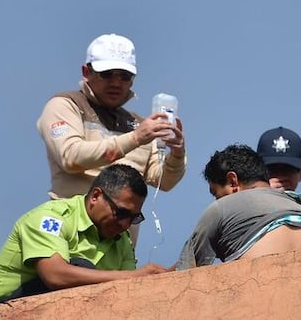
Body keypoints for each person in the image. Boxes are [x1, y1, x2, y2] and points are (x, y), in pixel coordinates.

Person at [0, 165, 171, 305]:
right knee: (81, 267)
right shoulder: (51, 218)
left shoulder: (123, 241)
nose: (125, 224)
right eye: (120, 213)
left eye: (134, 218)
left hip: (63, 309)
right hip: (3, 307)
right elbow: (55, 275)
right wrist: (131, 277)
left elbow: (132, 288)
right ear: (95, 196)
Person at [36, 33, 187, 200]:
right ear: (86, 72)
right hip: (73, 214)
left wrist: (177, 154)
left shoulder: (139, 125)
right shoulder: (66, 105)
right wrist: (135, 138)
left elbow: (163, 181)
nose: (116, 83)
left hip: (123, 217)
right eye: (106, 74)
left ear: (132, 80)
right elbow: (70, 157)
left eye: (124, 76)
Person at [176, 144, 301, 269]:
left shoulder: (222, 207)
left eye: (216, 193)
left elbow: (185, 272)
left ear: (233, 181)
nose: (217, 199)